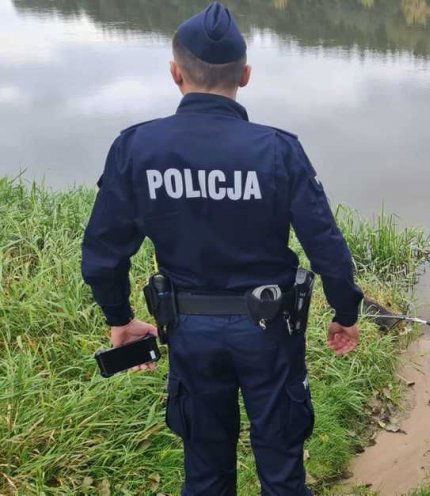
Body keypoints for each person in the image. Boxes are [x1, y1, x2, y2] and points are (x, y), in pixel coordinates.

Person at [80, 3, 362, 494]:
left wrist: (120, 316)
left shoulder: (137, 148)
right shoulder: (277, 149)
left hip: (189, 332)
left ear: (175, 73)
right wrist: (346, 309)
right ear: (245, 75)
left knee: (205, 471)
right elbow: (326, 246)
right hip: (270, 332)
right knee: (281, 469)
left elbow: (104, 250)